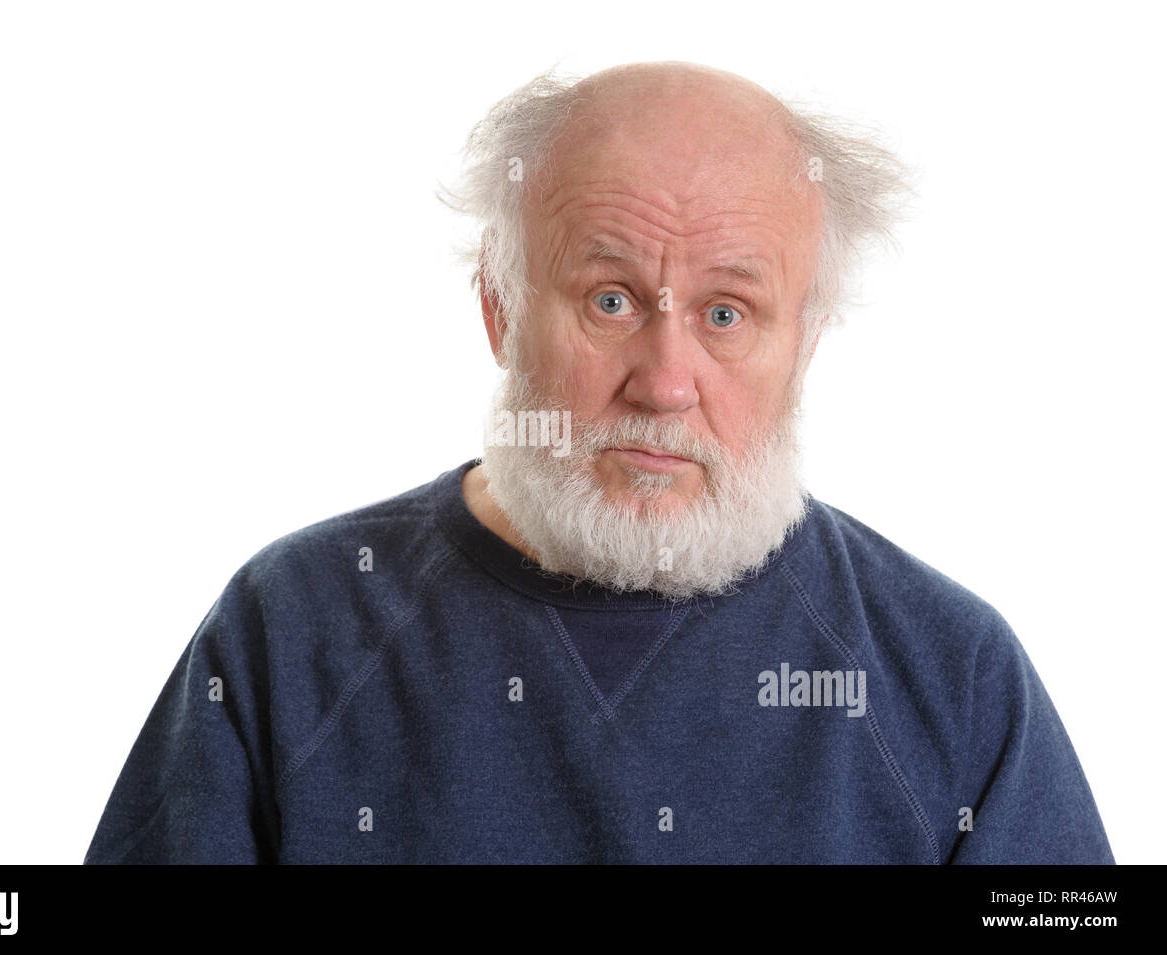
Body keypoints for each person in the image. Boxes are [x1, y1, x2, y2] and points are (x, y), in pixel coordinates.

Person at [84, 61, 1114, 864]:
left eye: (726, 313)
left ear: (802, 343)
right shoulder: (291, 627)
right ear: (497, 310)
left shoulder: (954, 676)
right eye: (610, 299)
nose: (665, 383)